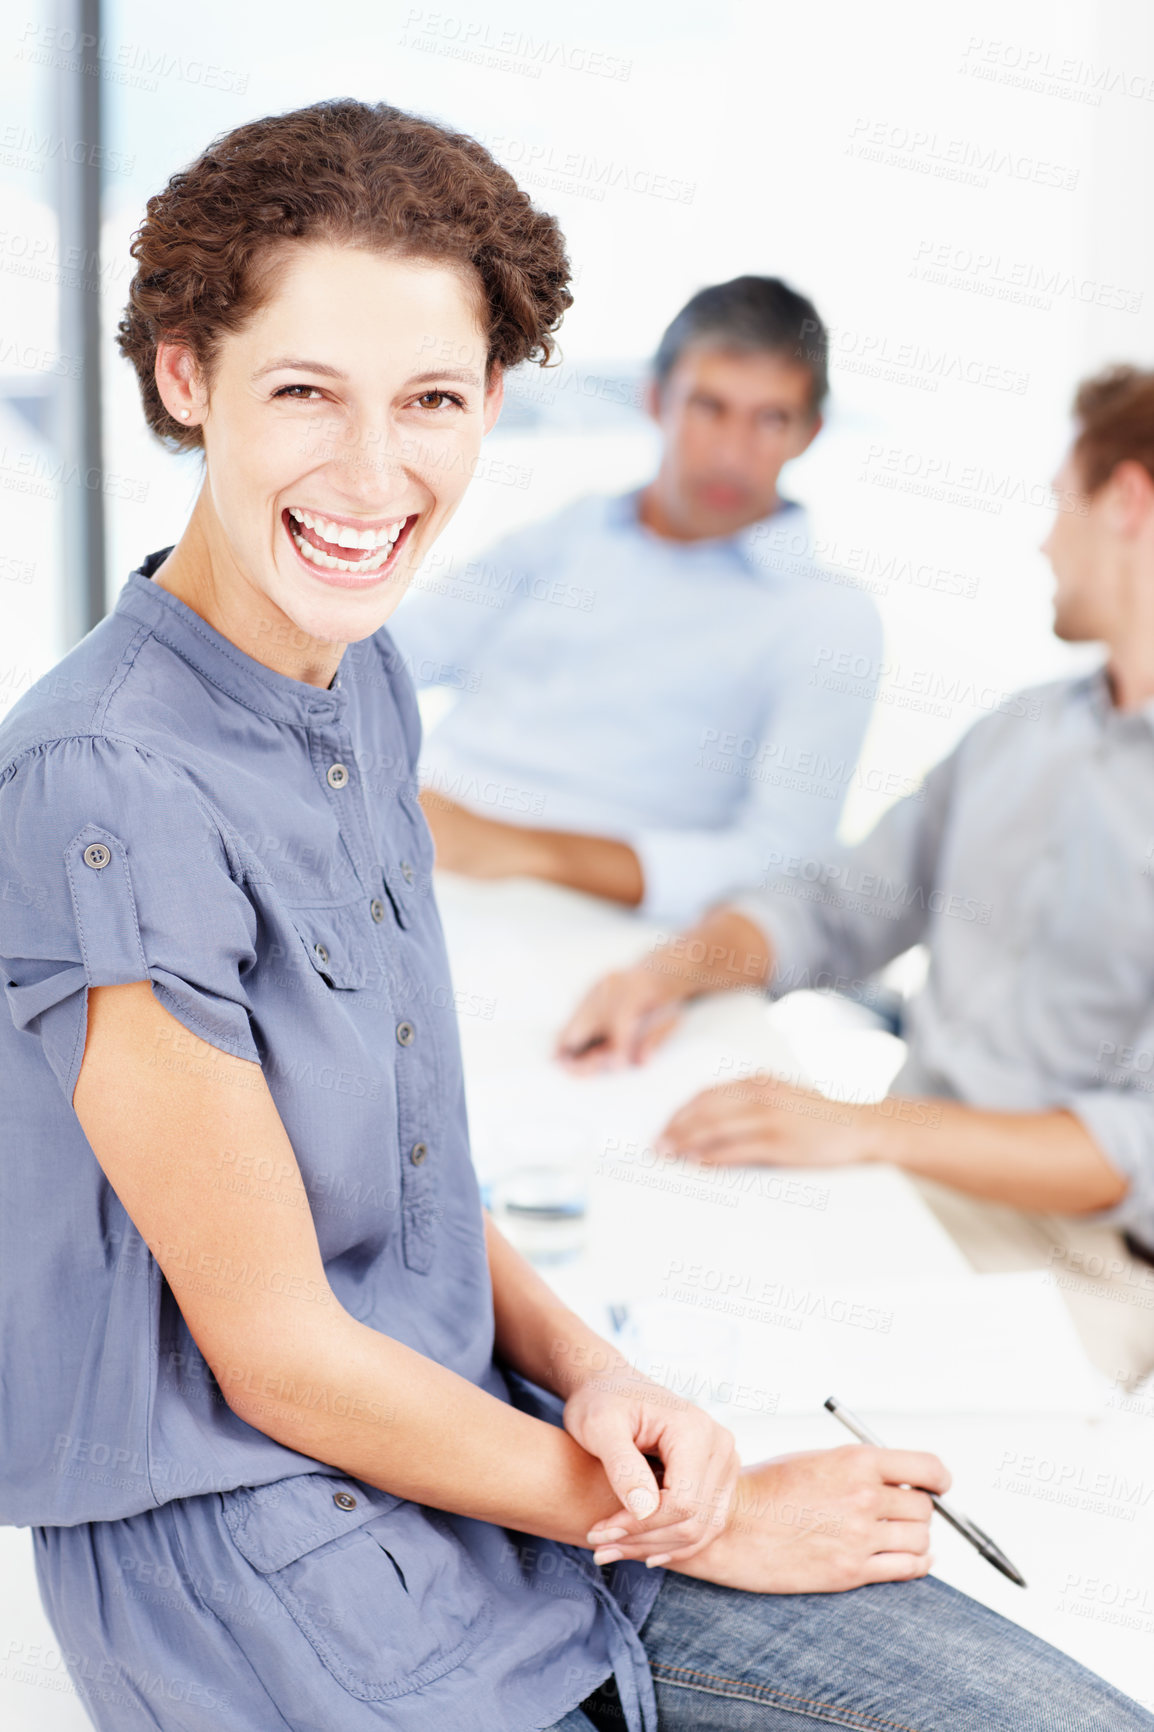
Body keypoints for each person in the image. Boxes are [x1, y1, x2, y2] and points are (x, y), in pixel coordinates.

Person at [1, 98, 1148, 1732]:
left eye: (433, 402)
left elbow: (398, 1168)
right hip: (282, 1559)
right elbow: (274, 1352)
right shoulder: (101, 780)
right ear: (186, 378)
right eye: (304, 392)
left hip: (485, 1463)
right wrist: (708, 1511)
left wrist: (592, 1370)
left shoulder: (365, 679)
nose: (371, 470)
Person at [558, 365, 1154, 1381]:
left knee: (757, 1412)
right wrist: (674, 969)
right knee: (611, 1292)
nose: (1042, 540)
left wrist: (858, 1124)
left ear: (1125, 502)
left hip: (1076, 1266)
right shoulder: (1020, 734)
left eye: (1058, 504)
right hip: (897, 1178)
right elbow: (840, 904)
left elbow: (1131, 1146)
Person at [387, 275, 885, 926]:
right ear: (656, 400)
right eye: (710, 407)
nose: (734, 454)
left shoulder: (828, 621)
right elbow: (394, 653)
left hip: (579, 920)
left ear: (810, 433)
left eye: (772, 419)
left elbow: (783, 860)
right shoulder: (574, 530)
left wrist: (518, 849)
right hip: (408, 841)